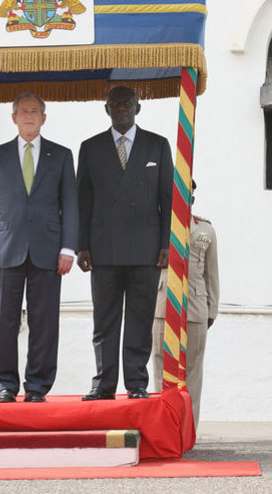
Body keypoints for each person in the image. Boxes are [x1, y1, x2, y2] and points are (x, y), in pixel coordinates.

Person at [0, 93, 78, 403]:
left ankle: (37, 386)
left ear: (43, 118)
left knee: (44, 321)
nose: (29, 116)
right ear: (14, 117)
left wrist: (69, 248)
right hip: (6, 249)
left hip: (49, 251)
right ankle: (5, 384)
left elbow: (70, 205)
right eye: (23, 111)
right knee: (4, 320)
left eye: (35, 112)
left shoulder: (60, 155)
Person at [77, 85, 174, 400]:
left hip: (146, 248)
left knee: (140, 317)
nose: (121, 108)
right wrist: (82, 246)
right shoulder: (90, 147)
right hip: (103, 248)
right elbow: (83, 201)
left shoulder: (157, 146)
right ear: (106, 109)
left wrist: (165, 243)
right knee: (104, 320)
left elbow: (167, 198)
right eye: (115, 104)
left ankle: (136, 383)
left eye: (127, 104)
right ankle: (103, 383)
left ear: (138, 108)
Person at [152, 180, 219, 428]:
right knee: (161, 371)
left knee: (192, 375)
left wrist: (211, 311)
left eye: (187, 195)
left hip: (195, 308)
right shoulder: (158, 226)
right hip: (161, 306)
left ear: (192, 198)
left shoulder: (206, 230)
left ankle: (188, 431)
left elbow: (211, 274)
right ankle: (164, 429)